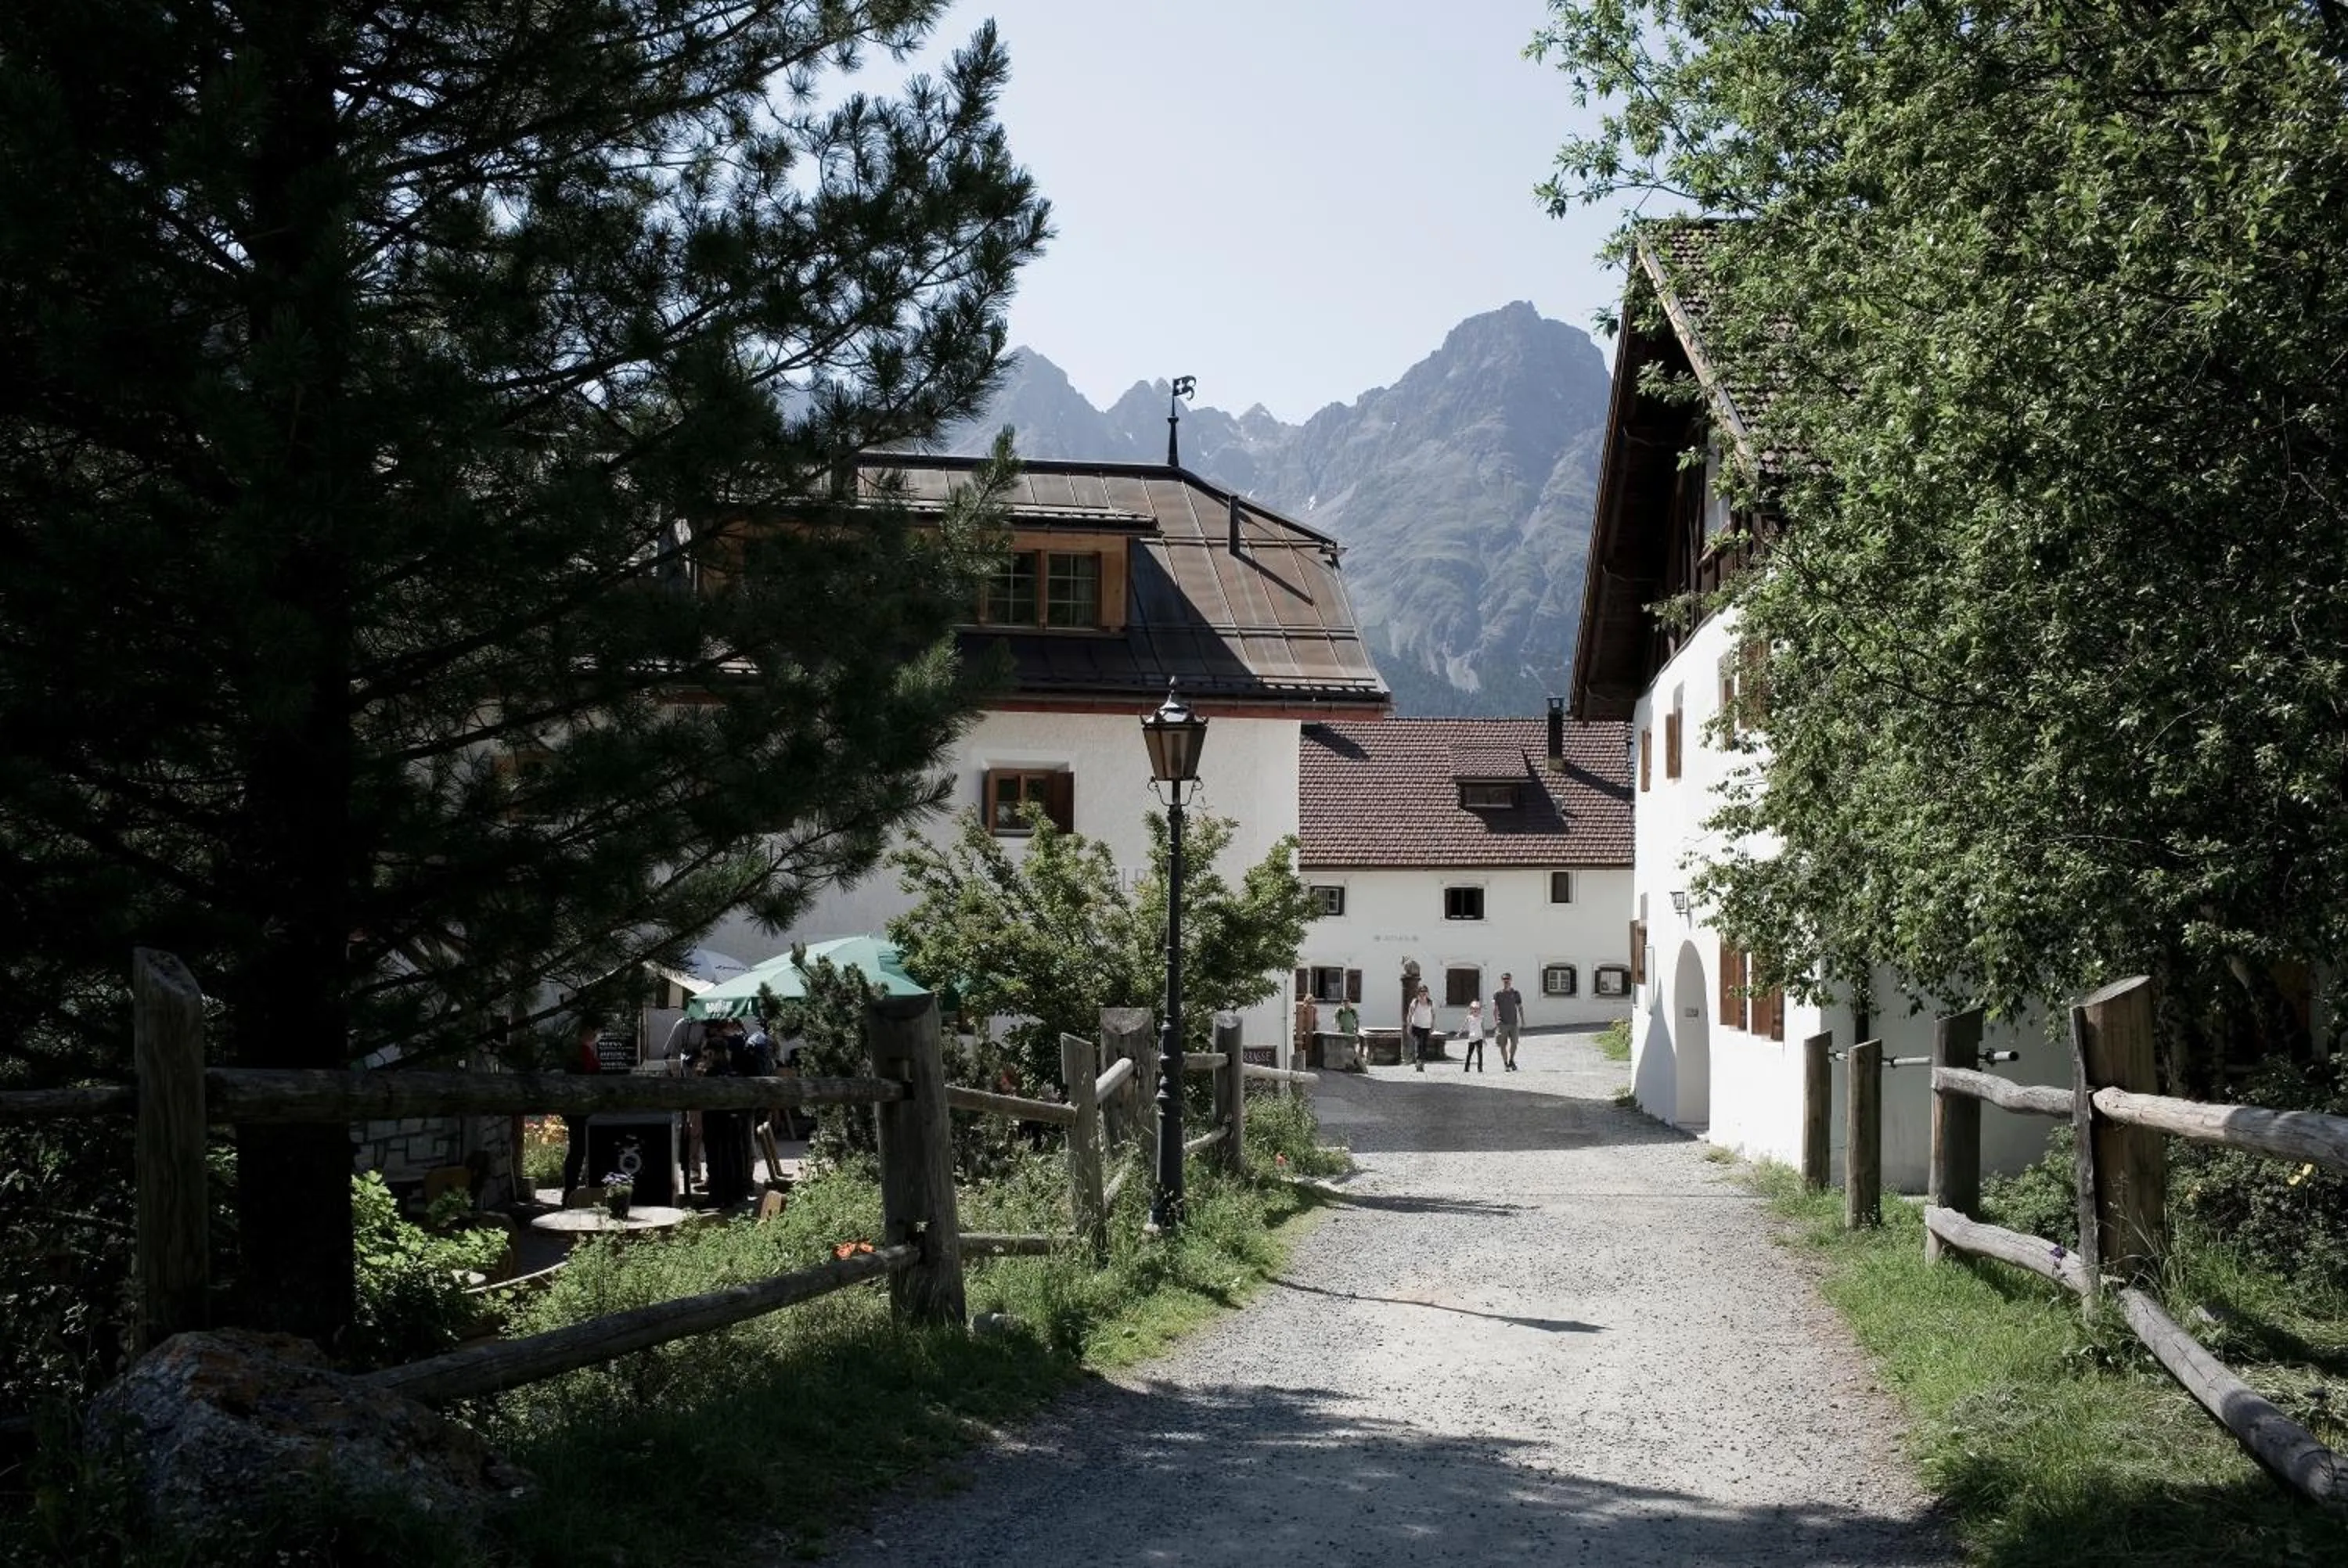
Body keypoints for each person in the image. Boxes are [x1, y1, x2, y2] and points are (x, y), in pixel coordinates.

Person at [560, 1023, 600, 1195]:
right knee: (578, 1152)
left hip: (575, 1108)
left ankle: (571, 1190)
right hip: (581, 1109)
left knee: (578, 1151)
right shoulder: (581, 1052)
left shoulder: (579, 1050)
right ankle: (571, 1191)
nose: (596, 1034)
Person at [1493, 973, 1525, 1071]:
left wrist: (1523, 1020)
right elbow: (1495, 1008)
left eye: (1508, 979)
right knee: (1502, 1045)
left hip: (1514, 1023)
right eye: (1504, 979)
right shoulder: (1498, 994)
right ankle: (1505, 1063)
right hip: (1502, 1023)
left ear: (1511, 980)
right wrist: (1496, 1022)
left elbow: (1520, 1007)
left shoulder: (1515, 993)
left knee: (1514, 1043)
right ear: (1502, 980)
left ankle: (1511, 1060)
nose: (1506, 981)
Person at [1407, 985, 1435, 1073]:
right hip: (1417, 1026)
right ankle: (1419, 1063)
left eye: (1425, 991)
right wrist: (1409, 1026)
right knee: (1419, 1044)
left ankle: (1421, 1063)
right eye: (1422, 991)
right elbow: (1410, 1015)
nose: (1423, 993)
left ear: (1427, 993)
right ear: (1418, 992)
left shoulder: (1431, 1003)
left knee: (1424, 1046)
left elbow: (1433, 1015)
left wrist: (1433, 1026)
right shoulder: (1415, 1002)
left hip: (1426, 1027)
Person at [1460, 998, 1486, 1074]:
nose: (1475, 1010)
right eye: (1473, 1008)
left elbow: (1483, 1028)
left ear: (1479, 1010)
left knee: (1480, 1053)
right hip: (1472, 1038)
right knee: (1469, 1054)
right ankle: (1466, 1068)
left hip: (1479, 1037)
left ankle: (1480, 1068)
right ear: (1471, 1009)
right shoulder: (1469, 1018)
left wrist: (1484, 1039)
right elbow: (1463, 1026)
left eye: (1477, 1009)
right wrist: (1459, 1033)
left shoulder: (1481, 1018)